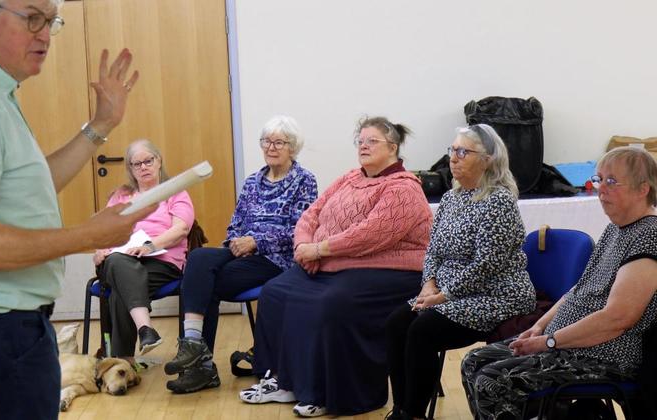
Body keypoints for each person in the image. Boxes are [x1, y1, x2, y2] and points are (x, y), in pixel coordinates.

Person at [0, 1, 149, 418]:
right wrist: (88, 235)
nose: (44, 34)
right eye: (33, 18)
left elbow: (30, 186)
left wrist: (101, 125)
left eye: (51, 21)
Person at [239, 116, 433, 417]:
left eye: (372, 141)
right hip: (338, 263)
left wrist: (319, 251)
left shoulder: (404, 188)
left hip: (392, 271)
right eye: (360, 141)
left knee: (332, 302)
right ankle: (285, 380)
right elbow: (311, 214)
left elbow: (370, 235)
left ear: (393, 147)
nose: (363, 146)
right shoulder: (350, 178)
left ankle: (331, 393)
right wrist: (303, 247)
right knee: (276, 292)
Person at [461, 147, 657, 420]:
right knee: (473, 361)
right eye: (599, 179)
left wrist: (550, 341)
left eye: (612, 181)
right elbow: (579, 289)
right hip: (570, 343)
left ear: (642, 189)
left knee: (492, 381)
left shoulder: (649, 236)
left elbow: (618, 318)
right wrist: (539, 327)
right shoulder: (616, 228)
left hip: (607, 355)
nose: (601, 189)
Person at [383, 124, 536, 420]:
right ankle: (401, 408)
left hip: (495, 294)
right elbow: (433, 249)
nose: (453, 158)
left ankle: (414, 414)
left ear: (487, 159)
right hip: (448, 293)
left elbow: (486, 265)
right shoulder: (451, 198)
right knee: (396, 323)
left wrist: (442, 296)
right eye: (452, 150)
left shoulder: (499, 201)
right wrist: (428, 284)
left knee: (423, 330)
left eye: (463, 152)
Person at [163, 115, 318, 394]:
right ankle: (194, 345)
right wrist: (236, 241)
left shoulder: (304, 181)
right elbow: (235, 223)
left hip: (276, 259)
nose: (270, 147)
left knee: (200, 282)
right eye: (266, 141)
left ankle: (201, 368)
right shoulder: (252, 182)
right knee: (198, 259)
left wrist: (256, 242)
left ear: (292, 147)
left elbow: (301, 229)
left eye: (279, 142)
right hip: (241, 253)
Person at [93, 139, 195, 358]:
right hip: (119, 259)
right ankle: (145, 329)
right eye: (137, 164)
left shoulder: (175, 192)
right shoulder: (121, 196)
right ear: (130, 169)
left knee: (120, 289)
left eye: (148, 161)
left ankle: (122, 364)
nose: (143, 167)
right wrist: (99, 250)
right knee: (117, 262)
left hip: (161, 262)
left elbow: (181, 229)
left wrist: (150, 246)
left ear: (159, 161)